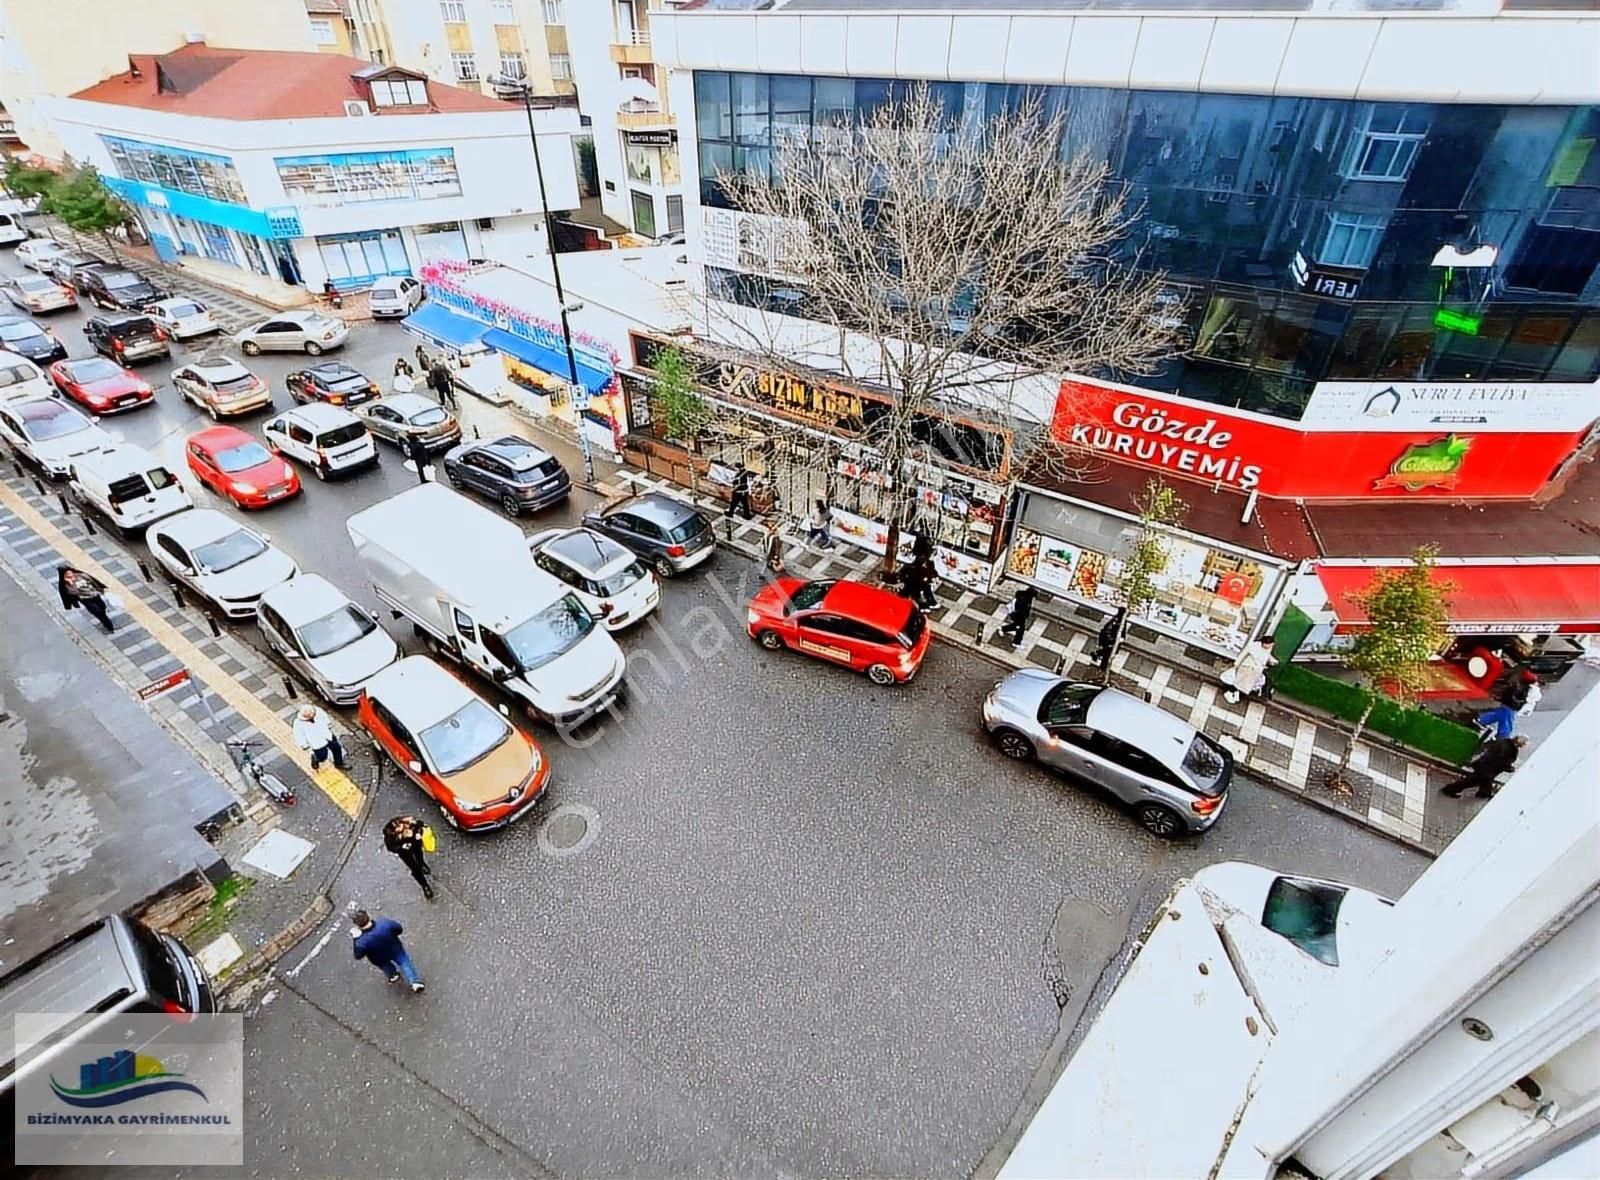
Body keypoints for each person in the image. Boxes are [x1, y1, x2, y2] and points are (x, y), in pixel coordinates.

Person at [350, 909, 425, 993]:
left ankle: (393, 975)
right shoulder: (384, 923)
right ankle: (415, 981)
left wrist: (355, 938)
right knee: (404, 962)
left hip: (378, 958)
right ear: (368, 916)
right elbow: (399, 929)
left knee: (386, 967)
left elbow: (358, 955)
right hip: (395, 949)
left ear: (357, 925)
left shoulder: (361, 941)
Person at [1441, 735, 1527, 800]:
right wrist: (1509, 768)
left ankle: (1484, 793)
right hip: (1488, 770)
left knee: (1484, 781)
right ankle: (1449, 790)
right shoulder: (1511, 750)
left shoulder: (1504, 741)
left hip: (1483, 765)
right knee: (1471, 781)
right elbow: (1503, 762)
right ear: (1520, 744)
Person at [1475, 670, 1541, 740]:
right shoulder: (1527, 689)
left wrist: (1500, 698)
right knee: (1506, 721)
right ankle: (1502, 737)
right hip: (1511, 706)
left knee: (1500, 714)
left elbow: (1508, 694)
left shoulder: (1518, 686)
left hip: (1507, 704)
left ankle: (1481, 720)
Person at [382, 815, 434, 901]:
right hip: (405, 854)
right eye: (398, 828)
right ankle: (424, 885)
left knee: (419, 856)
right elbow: (391, 847)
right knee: (414, 868)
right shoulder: (392, 838)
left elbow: (420, 825)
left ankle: (422, 864)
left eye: (400, 824)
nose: (401, 827)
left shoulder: (410, 823)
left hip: (416, 846)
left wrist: (419, 833)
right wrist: (401, 847)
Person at [57, 565, 114, 633]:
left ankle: (104, 619)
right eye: (67, 573)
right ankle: (109, 626)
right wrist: (71, 583)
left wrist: (99, 589)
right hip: (86, 599)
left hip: (94, 595)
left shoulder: (81, 575)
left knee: (103, 607)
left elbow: (92, 581)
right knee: (97, 612)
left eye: (70, 572)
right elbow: (74, 593)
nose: (70, 574)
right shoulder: (66, 584)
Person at [1223, 636, 1277, 705]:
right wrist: (1236, 664)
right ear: (1264, 643)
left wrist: (1272, 660)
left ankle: (1236, 694)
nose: (1270, 647)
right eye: (1269, 645)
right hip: (1247, 667)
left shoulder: (1268, 649)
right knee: (1239, 682)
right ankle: (1229, 693)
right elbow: (1243, 654)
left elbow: (1266, 655)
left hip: (1256, 670)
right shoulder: (1254, 646)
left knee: (1245, 685)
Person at [293, 704, 346, 772]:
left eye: (313, 714)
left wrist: (328, 724)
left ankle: (339, 764)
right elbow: (298, 735)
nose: (312, 716)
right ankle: (315, 758)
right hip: (317, 743)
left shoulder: (318, 711)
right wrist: (303, 744)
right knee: (322, 757)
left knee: (337, 748)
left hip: (328, 736)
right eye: (309, 716)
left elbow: (324, 717)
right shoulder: (298, 723)